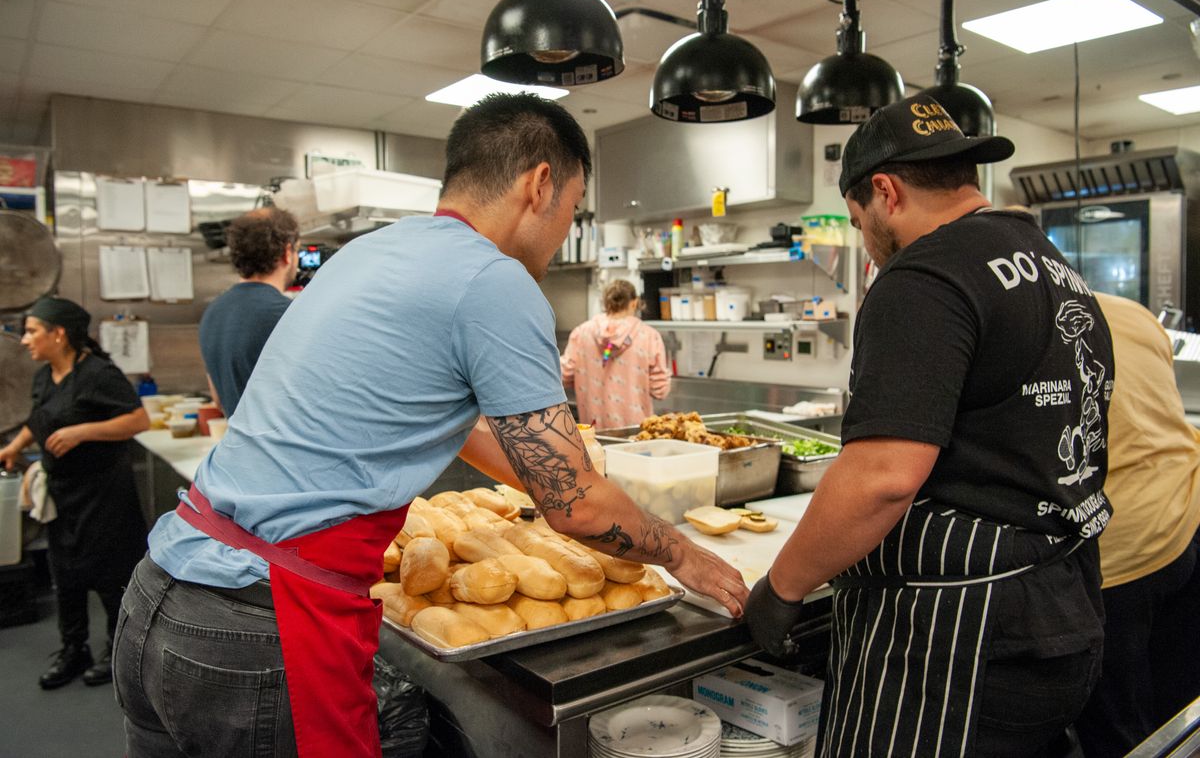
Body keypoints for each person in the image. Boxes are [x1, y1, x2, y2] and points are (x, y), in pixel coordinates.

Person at [113, 93, 749, 758]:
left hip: (161, 594)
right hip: (262, 624)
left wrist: (572, 479)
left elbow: (468, 435)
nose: (566, 227)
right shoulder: (492, 280)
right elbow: (574, 505)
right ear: (539, 184)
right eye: (573, 202)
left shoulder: (371, 252)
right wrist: (680, 553)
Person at [743, 94, 1114, 757]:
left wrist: (782, 588)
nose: (868, 245)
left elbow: (882, 478)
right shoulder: (1056, 268)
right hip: (1065, 607)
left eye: (859, 223)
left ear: (885, 192)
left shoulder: (926, 275)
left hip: (966, 641)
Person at [0, 296, 149, 689]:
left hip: (103, 494)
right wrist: (16, 447)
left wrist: (82, 431)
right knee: (65, 574)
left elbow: (138, 419)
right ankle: (73, 649)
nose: (26, 340)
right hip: (64, 495)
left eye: (32, 331)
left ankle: (118, 650)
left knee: (109, 573)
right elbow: (42, 418)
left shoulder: (98, 374)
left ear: (58, 333)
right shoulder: (43, 376)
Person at [1074, 293, 1200, 757]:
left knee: (1120, 731)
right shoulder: (1132, 311)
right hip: (1185, 519)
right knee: (1178, 718)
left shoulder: (1028, 323)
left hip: (1118, 550)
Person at [198, 206, 298, 417]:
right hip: (285, 448)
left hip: (241, 446)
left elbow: (217, 399)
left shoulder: (213, 313)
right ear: (287, 253)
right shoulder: (289, 316)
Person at [561, 279, 671, 428]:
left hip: (593, 430)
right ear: (634, 303)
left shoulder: (581, 333)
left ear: (606, 303)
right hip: (635, 432)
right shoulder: (649, 336)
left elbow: (564, 375)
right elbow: (660, 390)